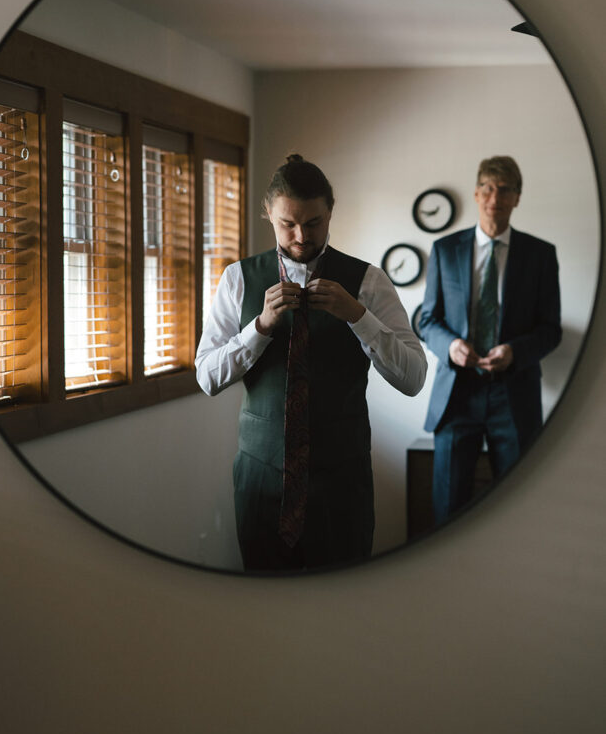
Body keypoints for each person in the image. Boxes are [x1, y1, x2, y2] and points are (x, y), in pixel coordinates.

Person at [195, 154, 426, 572]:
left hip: (342, 487)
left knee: (342, 610)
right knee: (265, 610)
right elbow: (207, 378)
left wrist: (359, 316)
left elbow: (413, 377)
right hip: (260, 486)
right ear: (268, 214)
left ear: (331, 212)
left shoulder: (369, 283)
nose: (301, 235)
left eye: (314, 222)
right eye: (288, 223)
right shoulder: (238, 280)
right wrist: (259, 327)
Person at [419, 155, 561, 524]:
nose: (494, 197)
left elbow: (551, 329)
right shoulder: (444, 250)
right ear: (476, 194)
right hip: (456, 394)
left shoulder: (541, 255)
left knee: (518, 510)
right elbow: (426, 319)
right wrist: (451, 346)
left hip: (513, 396)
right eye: (487, 188)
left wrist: (515, 351)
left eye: (504, 189)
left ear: (517, 197)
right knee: (447, 511)